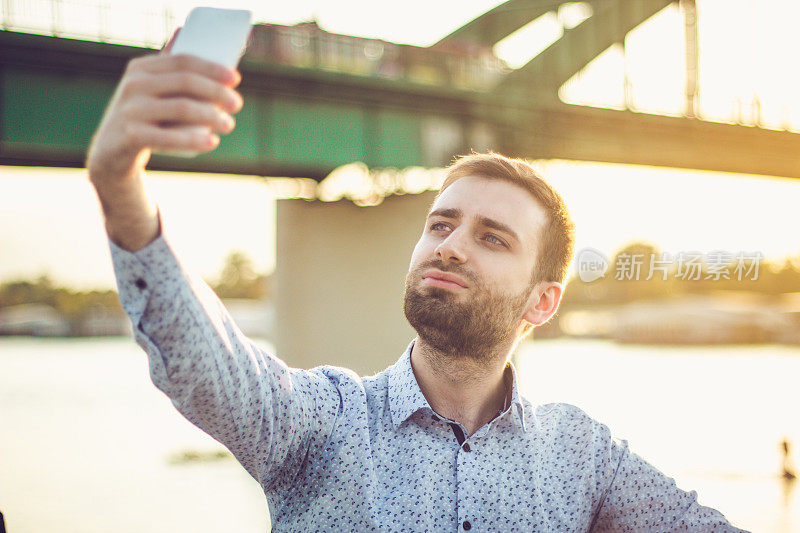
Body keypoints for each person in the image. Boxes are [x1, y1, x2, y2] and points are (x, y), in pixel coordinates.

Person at [86, 41, 748, 532]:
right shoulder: (322, 422)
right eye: (441, 223)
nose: (450, 244)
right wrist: (122, 188)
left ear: (541, 301)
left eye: (492, 237)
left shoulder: (582, 454)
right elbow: (207, 366)